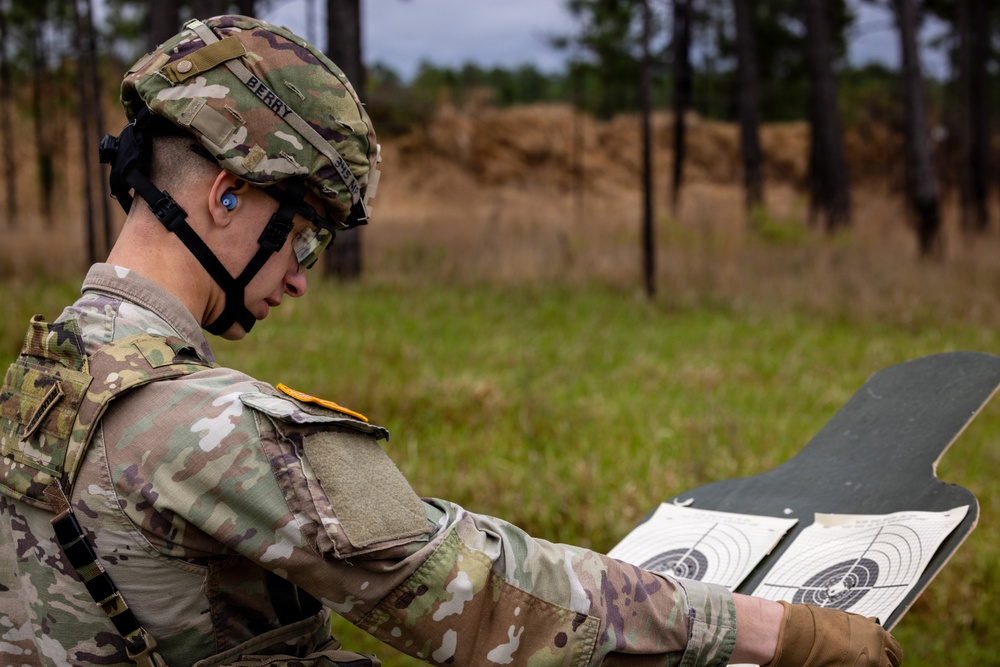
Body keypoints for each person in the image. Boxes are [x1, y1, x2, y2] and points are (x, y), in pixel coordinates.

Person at [0, 15, 902, 667]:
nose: (305, 273)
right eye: (307, 231)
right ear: (226, 195)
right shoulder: (209, 428)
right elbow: (490, 599)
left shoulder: (42, 374)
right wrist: (784, 631)